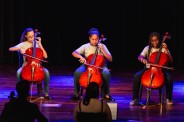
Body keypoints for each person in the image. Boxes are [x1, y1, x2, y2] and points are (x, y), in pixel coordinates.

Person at [130, 32, 174, 106]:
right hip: (149, 69)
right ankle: (135, 99)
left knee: (169, 78)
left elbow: (171, 60)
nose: (154, 42)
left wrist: (166, 50)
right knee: (136, 76)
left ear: (159, 40)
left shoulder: (164, 49)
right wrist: (142, 60)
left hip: (161, 70)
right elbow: (140, 56)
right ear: (150, 41)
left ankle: (168, 98)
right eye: (152, 41)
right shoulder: (147, 48)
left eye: (156, 40)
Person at [71, 27, 114, 101]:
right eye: (92, 39)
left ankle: (106, 94)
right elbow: (74, 53)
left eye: (96, 39)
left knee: (106, 73)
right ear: (89, 38)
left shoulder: (102, 46)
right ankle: (76, 94)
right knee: (77, 72)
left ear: (98, 39)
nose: (94, 41)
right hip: (87, 65)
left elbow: (110, 59)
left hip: (100, 66)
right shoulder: (85, 46)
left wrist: (102, 50)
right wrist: (81, 57)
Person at [9, 27, 52, 100]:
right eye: (30, 37)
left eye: (33, 36)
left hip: (38, 66)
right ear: (26, 36)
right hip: (27, 66)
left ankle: (46, 93)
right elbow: (10, 49)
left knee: (47, 73)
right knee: (18, 72)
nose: (32, 38)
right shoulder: (23, 44)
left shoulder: (37, 44)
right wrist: (20, 49)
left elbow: (45, 56)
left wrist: (40, 44)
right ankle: (20, 93)